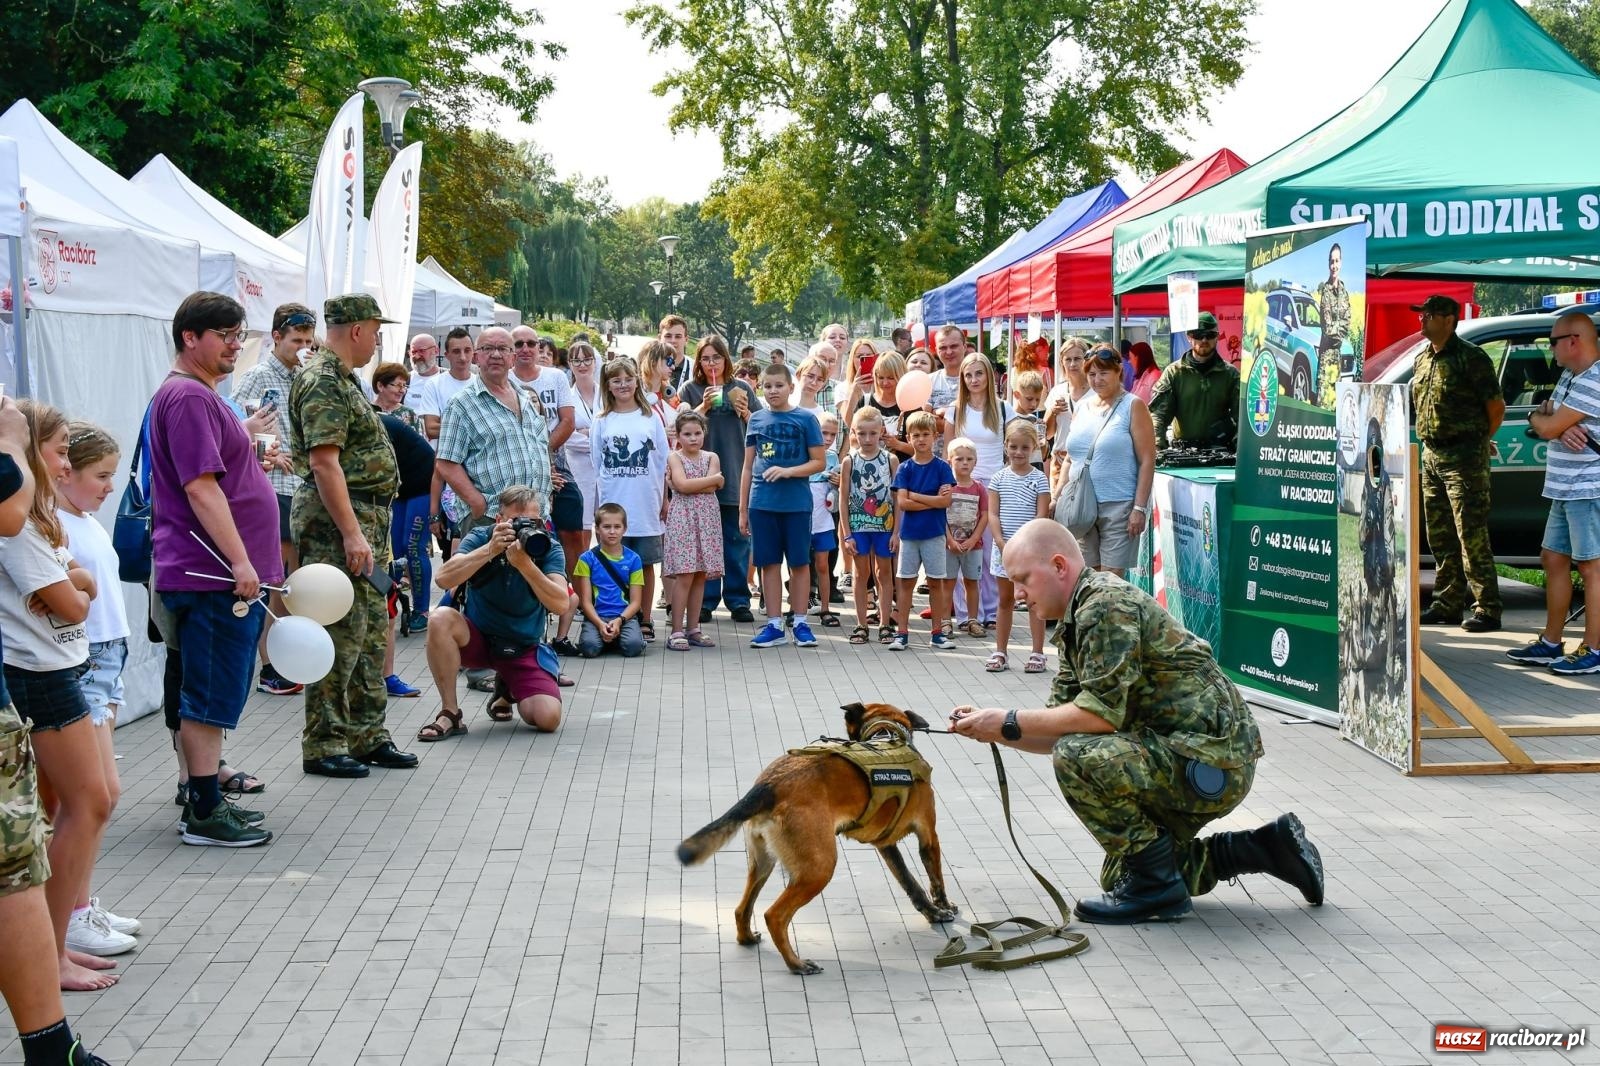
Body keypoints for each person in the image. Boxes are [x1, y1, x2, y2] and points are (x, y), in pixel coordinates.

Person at [948, 518, 1325, 924]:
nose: (1018, 594)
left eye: (1023, 579)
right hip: (1181, 753)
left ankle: (1159, 891)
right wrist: (993, 729)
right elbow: (1057, 729)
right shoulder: (1079, 620)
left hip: (1211, 760)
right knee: (1122, 872)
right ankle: (1263, 848)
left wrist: (1006, 719)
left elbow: (1096, 718)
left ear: (1059, 566)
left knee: (1081, 760)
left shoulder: (1105, 607)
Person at [0, 395, 112, 1066]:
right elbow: (71, 598)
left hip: (57, 668)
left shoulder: (37, 521)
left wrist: (76, 584)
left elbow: (75, 589)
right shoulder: (21, 522)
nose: (67, 462)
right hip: (40, 674)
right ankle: (54, 949)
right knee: (73, 811)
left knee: (69, 812)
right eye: (59, 448)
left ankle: (53, 955)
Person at [148, 291, 280, 847]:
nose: (234, 345)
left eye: (238, 334)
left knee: (213, 687)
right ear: (189, 338)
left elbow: (214, 474)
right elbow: (199, 488)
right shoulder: (188, 398)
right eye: (224, 334)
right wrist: (241, 560)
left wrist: (246, 447)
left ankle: (207, 795)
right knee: (207, 692)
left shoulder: (199, 397)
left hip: (214, 573)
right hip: (211, 576)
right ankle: (202, 810)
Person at [289, 293, 414, 780]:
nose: (379, 338)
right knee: (337, 629)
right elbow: (324, 462)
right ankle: (324, 742)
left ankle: (365, 733)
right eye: (376, 329)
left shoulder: (343, 379)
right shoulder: (322, 379)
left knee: (369, 629)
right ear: (358, 329)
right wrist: (351, 533)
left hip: (365, 521)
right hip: (338, 524)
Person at [56, 423, 142, 958]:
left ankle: (80, 903)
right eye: (101, 476)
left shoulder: (81, 519)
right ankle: (71, 912)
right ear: (66, 473)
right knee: (94, 795)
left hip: (106, 658)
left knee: (102, 794)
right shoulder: (56, 524)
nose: (110, 486)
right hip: (85, 660)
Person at [417, 485, 569, 740]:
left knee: (547, 718)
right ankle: (450, 712)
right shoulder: (481, 537)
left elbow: (561, 604)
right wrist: (490, 550)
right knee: (440, 618)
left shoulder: (547, 547)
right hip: (478, 639)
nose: (523, 529)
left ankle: (507, 687)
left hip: (523, 646)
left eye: (530, 522)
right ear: (499, 520)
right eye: (514, 522)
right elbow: (443, 578)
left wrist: (526, 566)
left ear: (541, 521)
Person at [1509, 311, 1600, 673]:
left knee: (1591, 567)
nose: (1550, 349)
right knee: (1553, 558)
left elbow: (1548, 424)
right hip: (1564, 485)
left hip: (1587, 487)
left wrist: (1553, 423)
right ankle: (1551, 641)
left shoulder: (1594, 380)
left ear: (1574, 341)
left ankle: (1593, 648)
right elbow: (1544, 418)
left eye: (1553, 341)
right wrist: (1554, 423)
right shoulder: (1569, 377)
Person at [233, 302, 316, 697]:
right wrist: (271, 451)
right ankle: (272, 665)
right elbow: (239, 427)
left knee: (295, 579)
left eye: (307, 341)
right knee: (278, 581)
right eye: (296, 340)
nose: (302, 347)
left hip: (303, 489)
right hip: (273, 490)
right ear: (276, 337)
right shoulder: (258, 377)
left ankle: (290, 657)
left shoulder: (306, 375)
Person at [1412, 294, 1504, 632]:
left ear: (1450, 319)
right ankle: (1446, 603)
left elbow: (1496, 408)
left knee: (1471, 534)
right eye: (1421, 314)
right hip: (1432, 456)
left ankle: (1487, 608)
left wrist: (1475, 441)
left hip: (1464, 458)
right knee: (1440, 536)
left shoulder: (1471, 358)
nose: (1422, 319)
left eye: (1430, 314)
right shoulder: (1423, 359)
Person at [741, 362, 826, 648]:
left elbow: (819, 462)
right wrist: (743, 508)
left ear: (791, 387)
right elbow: (747, 466)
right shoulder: (756, 420)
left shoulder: (806, 419)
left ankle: (800, 621)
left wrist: (788, 471)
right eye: (767, 386)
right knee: (768, 564)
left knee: (800, 564)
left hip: (797, 505)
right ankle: (774, 624)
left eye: (779, 385)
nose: (773, 391)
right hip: (762, 504)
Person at [434, 327, 553, 531]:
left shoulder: (526, 399)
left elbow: (541, 448)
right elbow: (445, 463)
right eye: (488, 348)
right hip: (490, 519)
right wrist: (477, 503)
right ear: (476, 357)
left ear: (512, 358)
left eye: (503, 349)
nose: (496, 354)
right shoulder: (462, 403)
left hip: (534, 517)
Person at [677, 335, 758, 625]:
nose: (711, 363)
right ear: (699, 362)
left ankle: (738, 599)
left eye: (717, 357)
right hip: (700, 479)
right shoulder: (691, 388)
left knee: (737, 541)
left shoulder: (742, 388)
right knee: (705, 543)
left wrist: (745, 412)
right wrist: (702, 408)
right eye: (705, 358)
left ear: (726, 359)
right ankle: (705, 601)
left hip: (735, 473)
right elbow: (679, 427)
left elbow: (761, 426)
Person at [591, 353, 670, 642]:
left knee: (645, 563)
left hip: (645, 502)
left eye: (628, 379)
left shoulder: (651, 416)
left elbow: (662, 461)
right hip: (615, 504)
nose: (623, 385)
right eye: (616, 381)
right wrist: (599, 509)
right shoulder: (602, 420)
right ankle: (615, 617)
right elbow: (596, 462)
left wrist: (663, 498)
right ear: (608, 385)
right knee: (612, 563)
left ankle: (645, 617)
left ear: (637, 380)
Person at [1059, 347, 1156, 578]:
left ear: (1118, 372)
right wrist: (1057, 496)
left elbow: (1147, 459)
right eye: (1091, 374)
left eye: (1103, 373)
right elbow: (1070, 457)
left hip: (1118, 504)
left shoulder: (1133, 405)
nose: (1097, 380)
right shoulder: (1082, 406)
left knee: (1110, 580)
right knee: (1087, 578)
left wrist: (1139, 508)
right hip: (1081, 505)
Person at [510, 327, 584, 579]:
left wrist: (543, 457)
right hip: (517, 465)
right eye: (518, 344)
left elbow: (568, 421)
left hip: (557, 465)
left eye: (532, 343)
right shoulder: (505, 380)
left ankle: (576, 591)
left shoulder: (556, 377)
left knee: (573, 525)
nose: (526, 348)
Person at [944, 352, 1009, 628]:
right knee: (962, 547)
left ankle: (992, 612)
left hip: (993, 486)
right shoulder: (955, 410)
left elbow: (1013, 447)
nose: (974, 380)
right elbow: (949, 452)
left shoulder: (1005, 409)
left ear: (989, 376)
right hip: (964, 488)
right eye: (968, 375)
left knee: (990, 549)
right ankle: (967, 615)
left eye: (979, 374)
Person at [987, 421, 1052, 673]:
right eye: (1013, 447)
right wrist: (1002, 542)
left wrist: (1027, 544)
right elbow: (993, 514)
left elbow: (1041, 515)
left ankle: (1037, 653)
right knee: (1004, 601)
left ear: (1034, 448)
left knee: (1034, 601)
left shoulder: (1039, 479)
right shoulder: (998, 478)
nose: (1018, 452)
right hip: (1003, 550)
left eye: (1025, 447)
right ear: (1005, 447)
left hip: (1031, 551)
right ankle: (1000, 651)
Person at [890, 411, 956, 651]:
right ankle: (902, 633)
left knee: (936, 582)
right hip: (909, 535)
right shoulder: (905, 469)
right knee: (905, 583)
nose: (920, 439)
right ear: (909, 437)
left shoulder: (942, 468)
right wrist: (930, 499)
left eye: (925, 434)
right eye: (915, 435)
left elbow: (946, 502)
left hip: (935, 534)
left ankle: (937, 633)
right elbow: (903, 503)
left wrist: (914, 496)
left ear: (935, 436)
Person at [663, 410, 724, 650]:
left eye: (697, 433)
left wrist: (697, 485)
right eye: (687, 434)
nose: (693, 438)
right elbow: (682, 485)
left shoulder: (711, 457)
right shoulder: (674, 458)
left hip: (707, 520)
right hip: (683, 519)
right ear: (678, 436)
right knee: (685, 574)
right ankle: (676, 629)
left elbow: (707, 488)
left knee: (700, 574)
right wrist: (713, 481)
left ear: (704, 433)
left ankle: (693, 627)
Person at [840, 407, 899, 645]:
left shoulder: (890, 460)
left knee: (884, 573)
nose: (867, 439)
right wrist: (846, 534)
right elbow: (843, 499)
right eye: (861, 433)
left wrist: (897, 532)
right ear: (854, 432)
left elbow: (897, 499)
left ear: (881, 432)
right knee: (860, 573)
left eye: (873, 433)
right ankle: (861, 624)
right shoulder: (849, 461)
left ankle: (885, 623)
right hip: (858, 527)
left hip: (884, 526)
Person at [1148, 312, 1240, 448]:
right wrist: (1157, 448)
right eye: (1198, 335)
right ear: (1189, 337)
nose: (1204, 340)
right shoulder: (1174, 373)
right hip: (1184, 454)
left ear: (1217, 337)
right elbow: (1158, 416)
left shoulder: (1230, 374)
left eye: (1209, 335)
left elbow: (1242, 417)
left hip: (1221, 452)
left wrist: (1239, 446)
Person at [574, 503, 646, 658]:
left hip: (624, 617)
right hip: (596, 616)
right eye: (606, 527)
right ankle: (608, 637)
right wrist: (600, 624)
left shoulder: (634, 559)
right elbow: (585, 601)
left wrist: (619, 620)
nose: (612, 532)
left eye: (617, 527)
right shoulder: (586, 559)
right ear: (597, 529)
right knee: (589, 648)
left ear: (624, 529)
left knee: (633, 648)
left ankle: (614, 637)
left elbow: (636, 602)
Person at [944, 438, 987, 640]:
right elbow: (940, 515)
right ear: (950, 460)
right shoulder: (946, 488)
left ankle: (973, 620)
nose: (964, 463)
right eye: (959, 458)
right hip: (949, 546)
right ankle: (945, 621)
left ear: (975, 462)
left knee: (972, 582)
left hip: (974, 546)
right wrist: (950, 540)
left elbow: (985, 515)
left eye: (969, 459)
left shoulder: (979, 488)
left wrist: (974, 539)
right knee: (948, 583)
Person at [564, 339, 602, 548]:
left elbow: (613, 433)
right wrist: (598, 436)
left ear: (595, 362)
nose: (582, 365)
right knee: (583, 526)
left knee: (608, 523)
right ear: (570, 364)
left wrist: (586, 432)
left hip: (605, 468)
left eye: (587, 359)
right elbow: (568, 437)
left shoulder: (607, 395)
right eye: (576, 360)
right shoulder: (567, 397)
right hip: (579, 469)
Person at [808, 412, 843, 628]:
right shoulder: (803, 453)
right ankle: (798, 607)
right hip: (802, 516)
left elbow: (836, 485)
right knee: (799, 563)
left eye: (833, 434)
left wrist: (838, 482)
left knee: (823, 564)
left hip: (823, 518)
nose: (828, 438)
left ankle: (825, 608)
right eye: (824, 433)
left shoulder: (833, 457)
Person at [415, 326, 476, 442]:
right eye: (456, 352)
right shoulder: (434, 384)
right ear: (446, 355)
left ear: (473, 352)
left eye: (467, 351)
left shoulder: (482, 384)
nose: (463, 357)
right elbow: (431, 429)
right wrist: (474, 425)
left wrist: (448, 423)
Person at [1316, 244, 1351, 409]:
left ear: (1341, 262)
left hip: (1337, 357)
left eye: (1336, 261)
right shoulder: (1326, 291)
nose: (1334, 265)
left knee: (1335, 406)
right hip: (1325, 358)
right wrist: (1340, 328)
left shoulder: (1344, 292)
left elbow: (1348, 323)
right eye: (1331, 261)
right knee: (1323, 405)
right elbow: (1327, 328)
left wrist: (1340, 328)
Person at [1011, 370, 1048, 470]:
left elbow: (1043, 455)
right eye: (1029, 399)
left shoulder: (1035, 420)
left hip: (1036, 470)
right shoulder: (1010, 419)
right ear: (1016, 395)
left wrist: (1043, 439)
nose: (1034, 404)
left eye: (1037, 399)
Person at [372, 363, 421, 432]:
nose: (403, 391)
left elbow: (419, 442)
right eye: (399, 385)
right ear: (380, 386)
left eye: (404, 386)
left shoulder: (410, 415)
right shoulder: (366, 411)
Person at [404, 332, 441, 408]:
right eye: (413, 352)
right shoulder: (404, 380)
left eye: (422, 351)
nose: (417, 356)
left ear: (436, 351)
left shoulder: (449, 378)